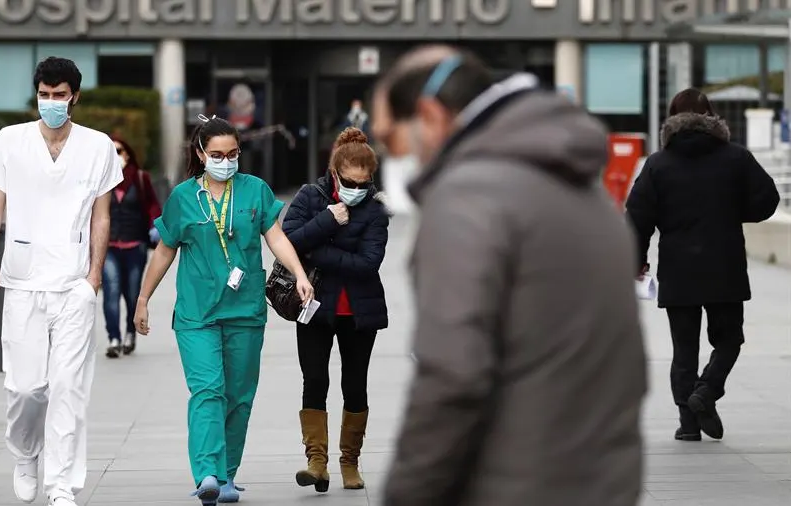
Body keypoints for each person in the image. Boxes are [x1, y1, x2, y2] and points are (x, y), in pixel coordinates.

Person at [371, 45, 648, 506]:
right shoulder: (582, 186)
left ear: (429, 116)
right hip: (606, 480)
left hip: (511, 484)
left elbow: (452, 378)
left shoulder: (466, 197)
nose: (390, 155)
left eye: (389, 138)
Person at [132, 115, 315, 506]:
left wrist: (299, 272)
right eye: (217, 154)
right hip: (197, 313)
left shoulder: (254, 191)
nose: (226, 161)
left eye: (233, 153)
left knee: (239, 395)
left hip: (245, 310)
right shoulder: (183, 196)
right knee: (208, 390)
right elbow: (165, 249)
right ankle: (207, 474)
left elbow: (275, 236)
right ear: (200, 154)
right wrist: (144, 298)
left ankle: (228, 474)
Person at [0, 57, 123, 506]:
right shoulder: (9, 141)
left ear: (74, 96)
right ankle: (25, 453)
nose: (51, 103)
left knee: (67, 387)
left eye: (60, 95)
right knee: (25, 387)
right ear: (36, 93)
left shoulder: (97, 146)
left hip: (73, 284)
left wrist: (93, 278)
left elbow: (102, 215)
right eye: (44, 95)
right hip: (22, 282)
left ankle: (61, 485)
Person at [626, 88, 779, 442]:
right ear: (710, 115)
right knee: (729, 340)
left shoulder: (657, 164)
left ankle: (689, 424)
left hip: (679, 269)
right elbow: (767, 200)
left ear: (671, 118)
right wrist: (731, 211)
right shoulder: (735, 158)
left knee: (684, 351)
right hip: (724, 264)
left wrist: (637, 260)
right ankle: (706, 392)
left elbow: (637, 217)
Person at [281, 127, 390, 493]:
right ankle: (316, 461)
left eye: (363, 183)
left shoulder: (375, 211)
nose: (356, 189)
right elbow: (288, 241)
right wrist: (328, 221)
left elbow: (368, 263)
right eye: (349, 182)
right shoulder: (310, 197)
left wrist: (318, 250)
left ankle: (350, 462)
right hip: (314, 306)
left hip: (360, 311)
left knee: (354, 385)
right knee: (314, 380)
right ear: (335, 173)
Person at [103, 135, 162, 358]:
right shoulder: (101, 180)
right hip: (109, 246)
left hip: (135, 244)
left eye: (119, 151)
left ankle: (130, 333)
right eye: (111, 152)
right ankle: (113, 338)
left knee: (131, 292)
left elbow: (152, 205)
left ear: (127, 154)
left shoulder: (139, 177)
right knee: (111, 290)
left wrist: (155, 226)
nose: (115, 156)